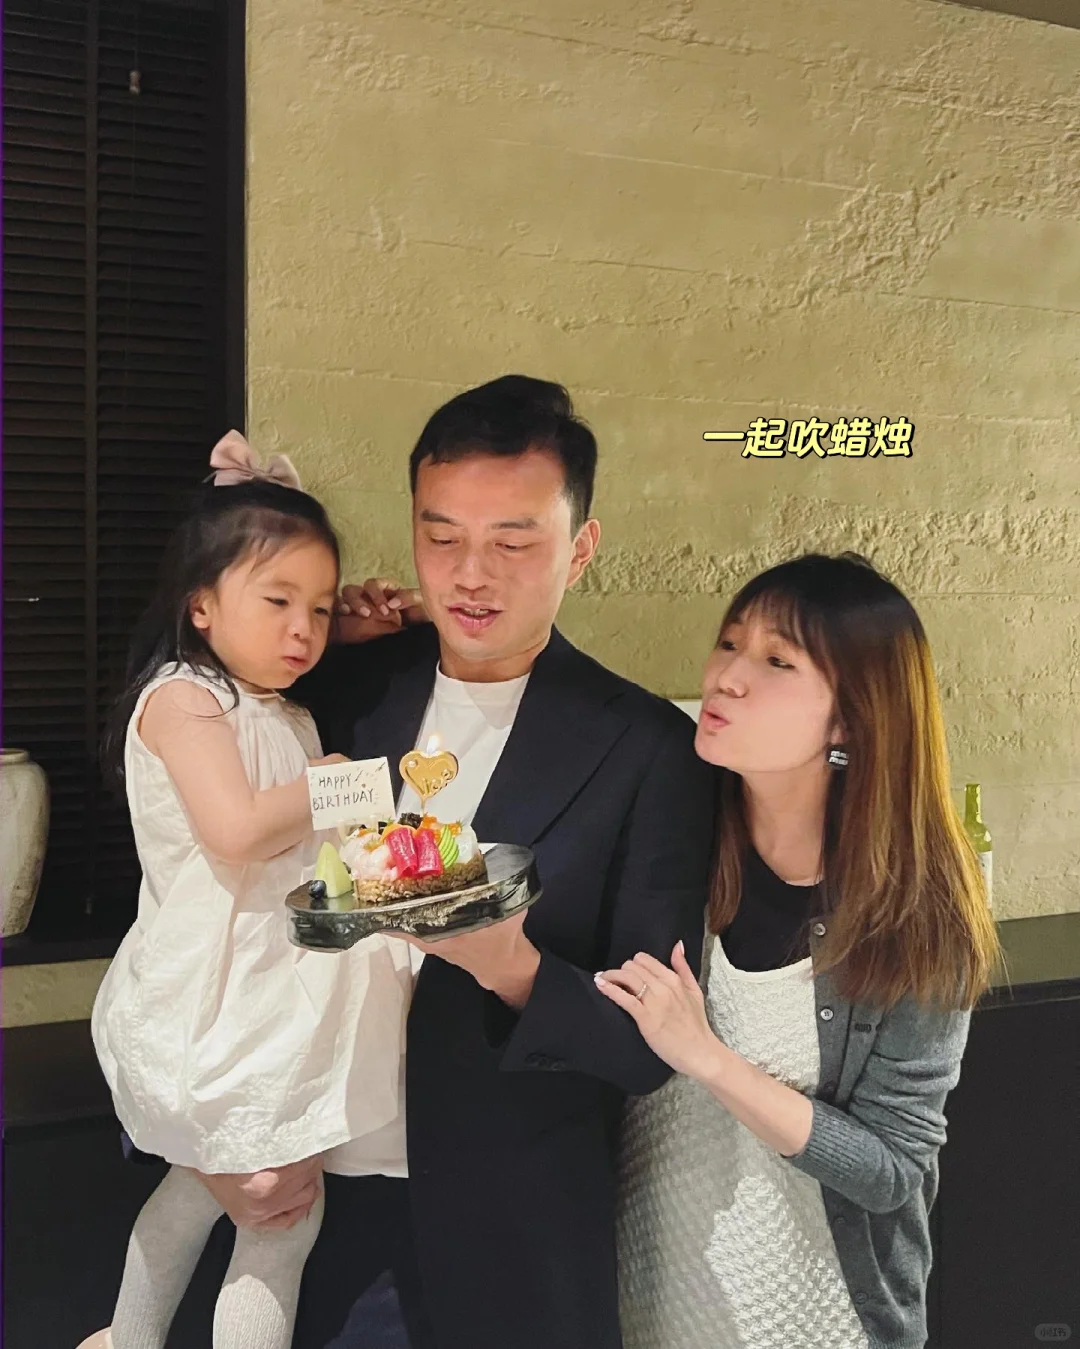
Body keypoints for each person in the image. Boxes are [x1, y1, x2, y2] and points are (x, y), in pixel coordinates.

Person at [202, 374, 714, 1349]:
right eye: (442, 537)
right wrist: (203, 1147)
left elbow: (650, 1046)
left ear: (581, 548)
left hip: (512, 1235)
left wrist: (512, 967)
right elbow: (197, 897)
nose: (471, 575)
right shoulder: (332, 686)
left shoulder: (647, 747)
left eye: (513, 542)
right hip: (310, 1213)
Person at [595, 553, 1001, 1349]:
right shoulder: (674, 833)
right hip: (654, 1287)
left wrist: (707, 1058)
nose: (727, 677)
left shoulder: (919, 914)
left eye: (776, 661)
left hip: (821, 1318)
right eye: (729, 643)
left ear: (849, 719)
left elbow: (891, 1169)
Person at [78, 435, 413, 1349]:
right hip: (219, 998)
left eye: (320, 607)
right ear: (200, 602)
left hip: (271, 992)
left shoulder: (279, 706)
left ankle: (125, 1339)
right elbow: (235, 828)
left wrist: (368, 625)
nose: (304, 629)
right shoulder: (183, 699)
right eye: (278, 601)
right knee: (273, 1215)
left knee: (225, 1198)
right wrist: (340, 782)